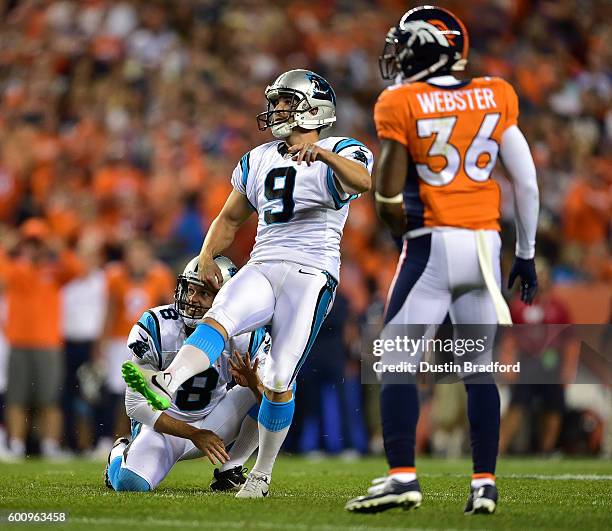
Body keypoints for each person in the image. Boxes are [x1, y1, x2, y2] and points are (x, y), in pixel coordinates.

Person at [121, 69, 373, 497]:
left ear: (314, 109)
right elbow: (231, 218)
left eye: (286, 101)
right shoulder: (258, 158)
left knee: (277, 378)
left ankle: (260, 475)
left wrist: (323, 156)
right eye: (275, 101)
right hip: (263, 260)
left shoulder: (341, 149)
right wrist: (204, 257)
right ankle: (168, 380)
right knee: (221, 315)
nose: (275, 109)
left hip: (311, 272)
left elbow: (363, 181)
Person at [345, 6, 539, 515]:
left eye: (406, 45)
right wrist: (527, 254)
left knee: (396, 361)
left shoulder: (402, 101)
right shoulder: (496, 93)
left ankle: (402, 477)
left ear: (426, 47)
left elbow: (387, 195)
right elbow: (527, 182)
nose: (399, 55)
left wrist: (394, 229)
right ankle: (484, 486)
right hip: (485, 248)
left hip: (431, 244)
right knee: (479, 371)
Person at [106, 255, 269, 492]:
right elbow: (135, 405)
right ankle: (119, 453)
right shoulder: (157, 325)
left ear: (225, 298)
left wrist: (254, 384)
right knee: (130, 485)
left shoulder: (245, 333)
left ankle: (231, 468)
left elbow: (275, 404)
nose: (192, 299)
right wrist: (194, 434)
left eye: (204, 293)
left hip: (215, 419)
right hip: (162, 425)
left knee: (280, 384)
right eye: (191, 290)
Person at [0, 218, 82, 460]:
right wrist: (8, 247)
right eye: (30, 243)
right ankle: (15, 445)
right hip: (19, 343)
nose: (33, 248)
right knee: (16, 397)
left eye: (38, 243)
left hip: (48, 344)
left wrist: (58, 248)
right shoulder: (15, 269)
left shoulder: (53, 270)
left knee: (50, 398)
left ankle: (50, 445)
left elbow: (76, 270)